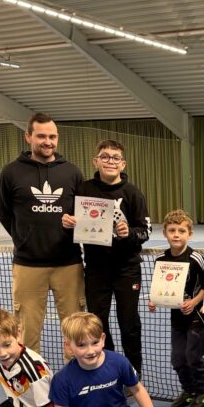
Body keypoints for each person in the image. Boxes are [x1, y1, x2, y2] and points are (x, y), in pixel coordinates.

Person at [0, 112, 85, 358]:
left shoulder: (72, 172)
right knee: (26, 333)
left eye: (53, 136)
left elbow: (84, 215)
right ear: (28, 137)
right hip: (28, 266)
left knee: (76, 330)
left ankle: (75, 385)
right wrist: (24, 240)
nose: (48, 141)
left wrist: (76, 223)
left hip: (69, 264)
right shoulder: (10, 172)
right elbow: (4, 214)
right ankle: (32, 389)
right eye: (42, 136)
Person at [61, 139, 151, 377]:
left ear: (123, 164)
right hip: (95, 270)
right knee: (98, 323)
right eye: (105, 156)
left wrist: (128, 233)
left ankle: (133, 374)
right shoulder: (84, 190)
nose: (110, 161)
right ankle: (106, 369)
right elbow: (72, 220)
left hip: (127, 270)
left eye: (115, 158)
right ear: (96, 161)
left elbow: (145, 231)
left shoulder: (133, 194)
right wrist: (68, 221)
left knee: (129, 323)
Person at [147, 209, 204, 407]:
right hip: (177, 319)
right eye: (172, 230)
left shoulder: (196, 258)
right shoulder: (160, 260)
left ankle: (201, 393)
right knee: (177, 358)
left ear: (189, 234)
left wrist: (194, 302)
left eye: (181, 231)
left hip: (198, 317)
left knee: (193, 357)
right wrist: (154, 300)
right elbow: (160, 289)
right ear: (164, 233)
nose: (176, 234)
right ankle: (188, 391)